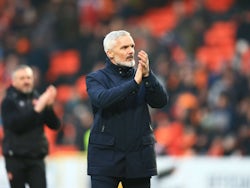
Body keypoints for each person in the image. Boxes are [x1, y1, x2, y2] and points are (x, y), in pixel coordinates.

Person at [86, 30, 169, 188]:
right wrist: (134, 83)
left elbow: (160, 102)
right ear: (110, 53)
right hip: (106, 157)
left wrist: (148, 75)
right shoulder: (96, 78)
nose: (131, 51)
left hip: (139, 157)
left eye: (132, 46)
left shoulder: (142, 76)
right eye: (124, 47)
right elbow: (102, 99)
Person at [1, 64, 61, 188]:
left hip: (36, 157)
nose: (26, 81)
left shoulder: (38, 98)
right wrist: (37, 109)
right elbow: (15, 125)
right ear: (14, 81)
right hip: (15, 158)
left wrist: (48, 107)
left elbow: (55, 125)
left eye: (28, 78)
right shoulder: (8, 101)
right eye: (22, 78)